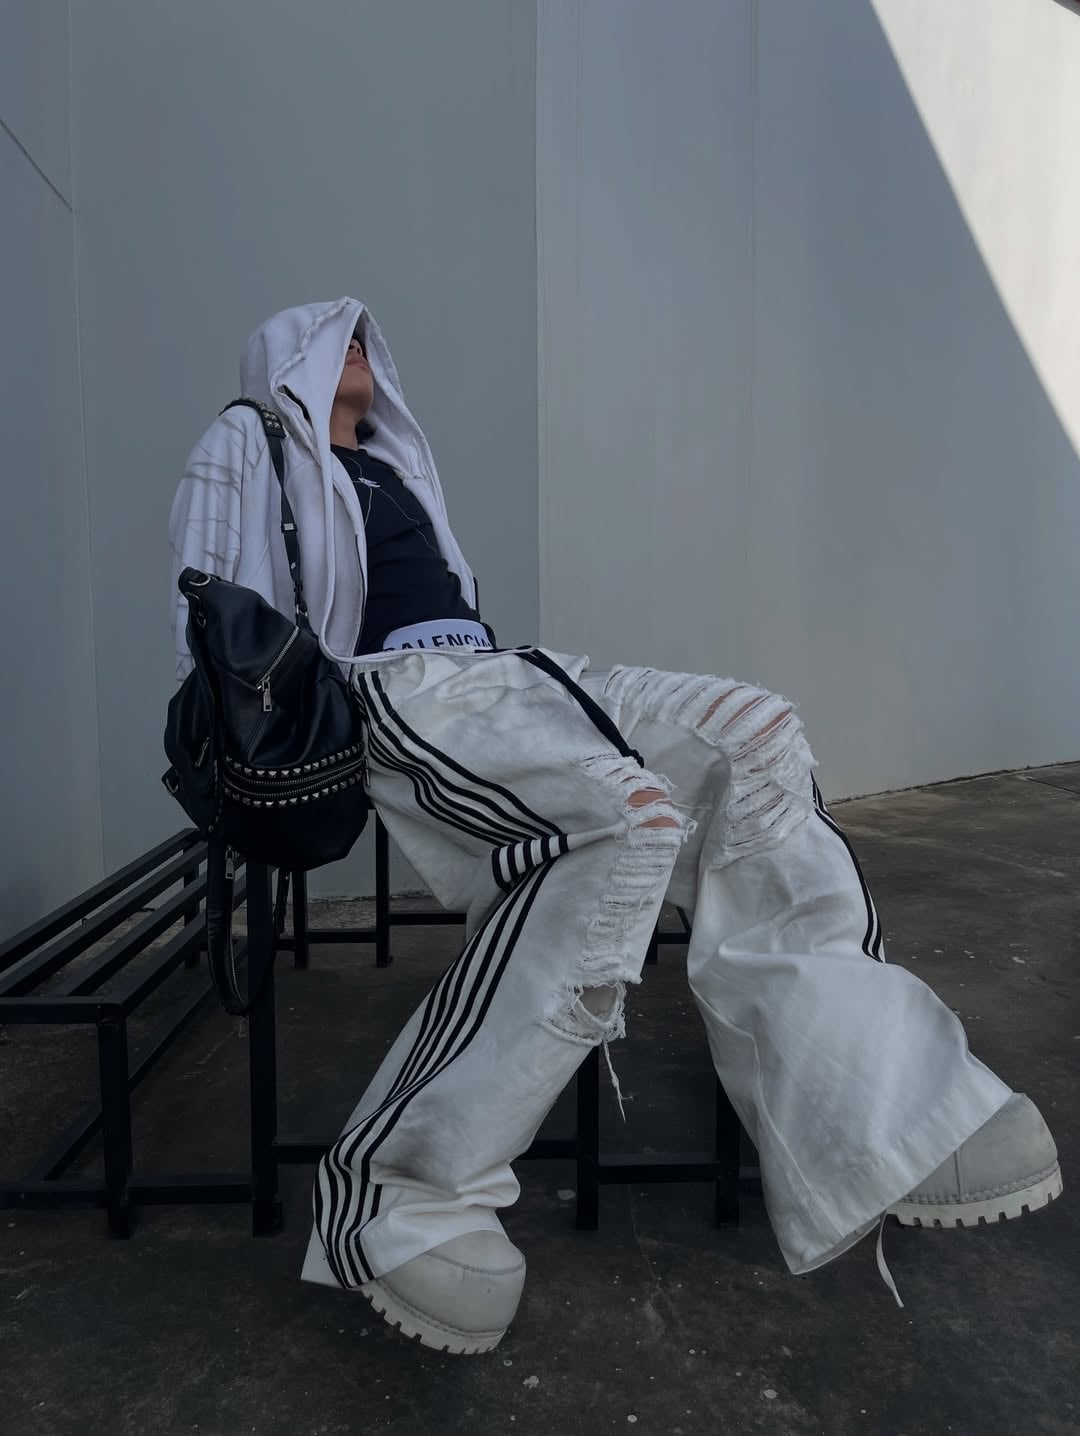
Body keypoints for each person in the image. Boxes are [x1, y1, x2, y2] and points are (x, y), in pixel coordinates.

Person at [170, 297, 1062, 1355]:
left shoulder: (398, 464)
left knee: (754, 734)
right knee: (622, 821)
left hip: (499, 673)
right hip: (380, 692)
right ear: (289, 361)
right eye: (337, 336)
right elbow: (208, 604)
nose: (359, 345)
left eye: (368, 336)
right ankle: (401, 1193)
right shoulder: (249, 436)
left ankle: (883, 1109)